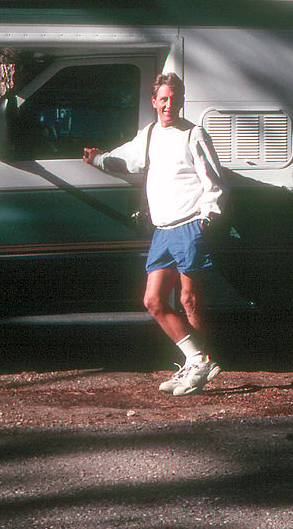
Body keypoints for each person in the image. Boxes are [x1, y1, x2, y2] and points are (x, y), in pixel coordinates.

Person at [83, 73, 225, 395]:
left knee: (189, 301)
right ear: (154, 102)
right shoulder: (148, 135)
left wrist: (206, 219)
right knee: (153, 300)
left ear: (182, 99)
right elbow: (125, 159)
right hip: (162, 230)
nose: (169, 105)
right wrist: (98, 160)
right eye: (163, 99)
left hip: (190, 226)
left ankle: (197, 368)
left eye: (174, 99)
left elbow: (214, 183)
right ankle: (197, 360)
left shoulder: (194, 134)